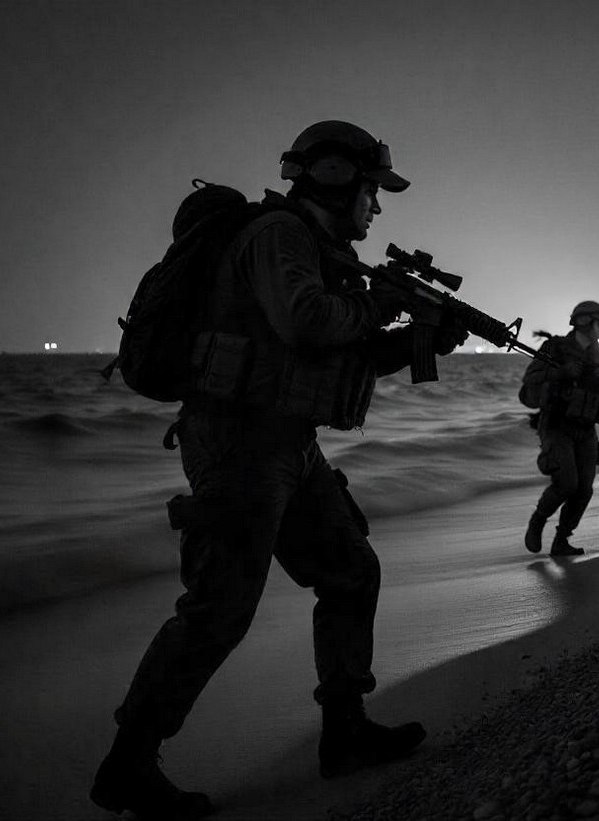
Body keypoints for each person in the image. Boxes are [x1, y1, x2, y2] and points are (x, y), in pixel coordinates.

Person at [91, 121, 469, 820]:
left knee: (351, 570)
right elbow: (306, 320)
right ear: (334, 176)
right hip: (237, 440)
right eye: (371, 191)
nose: (376, 208)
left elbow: (335, 352)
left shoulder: (322, 254)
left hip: (287, 441)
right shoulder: (279, 236)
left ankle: (345, 731)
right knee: (221, 607)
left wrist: (418, 341)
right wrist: (382, 304)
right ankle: (128, 764)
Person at [519, 301, 599, 556]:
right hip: (556, 425)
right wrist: (559, 374)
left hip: (586, 429)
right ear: (584, 322)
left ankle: (562, 539)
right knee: (566, 483)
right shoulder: (555, 349)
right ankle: (538, 520)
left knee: (584, 490)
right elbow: (529, 385)